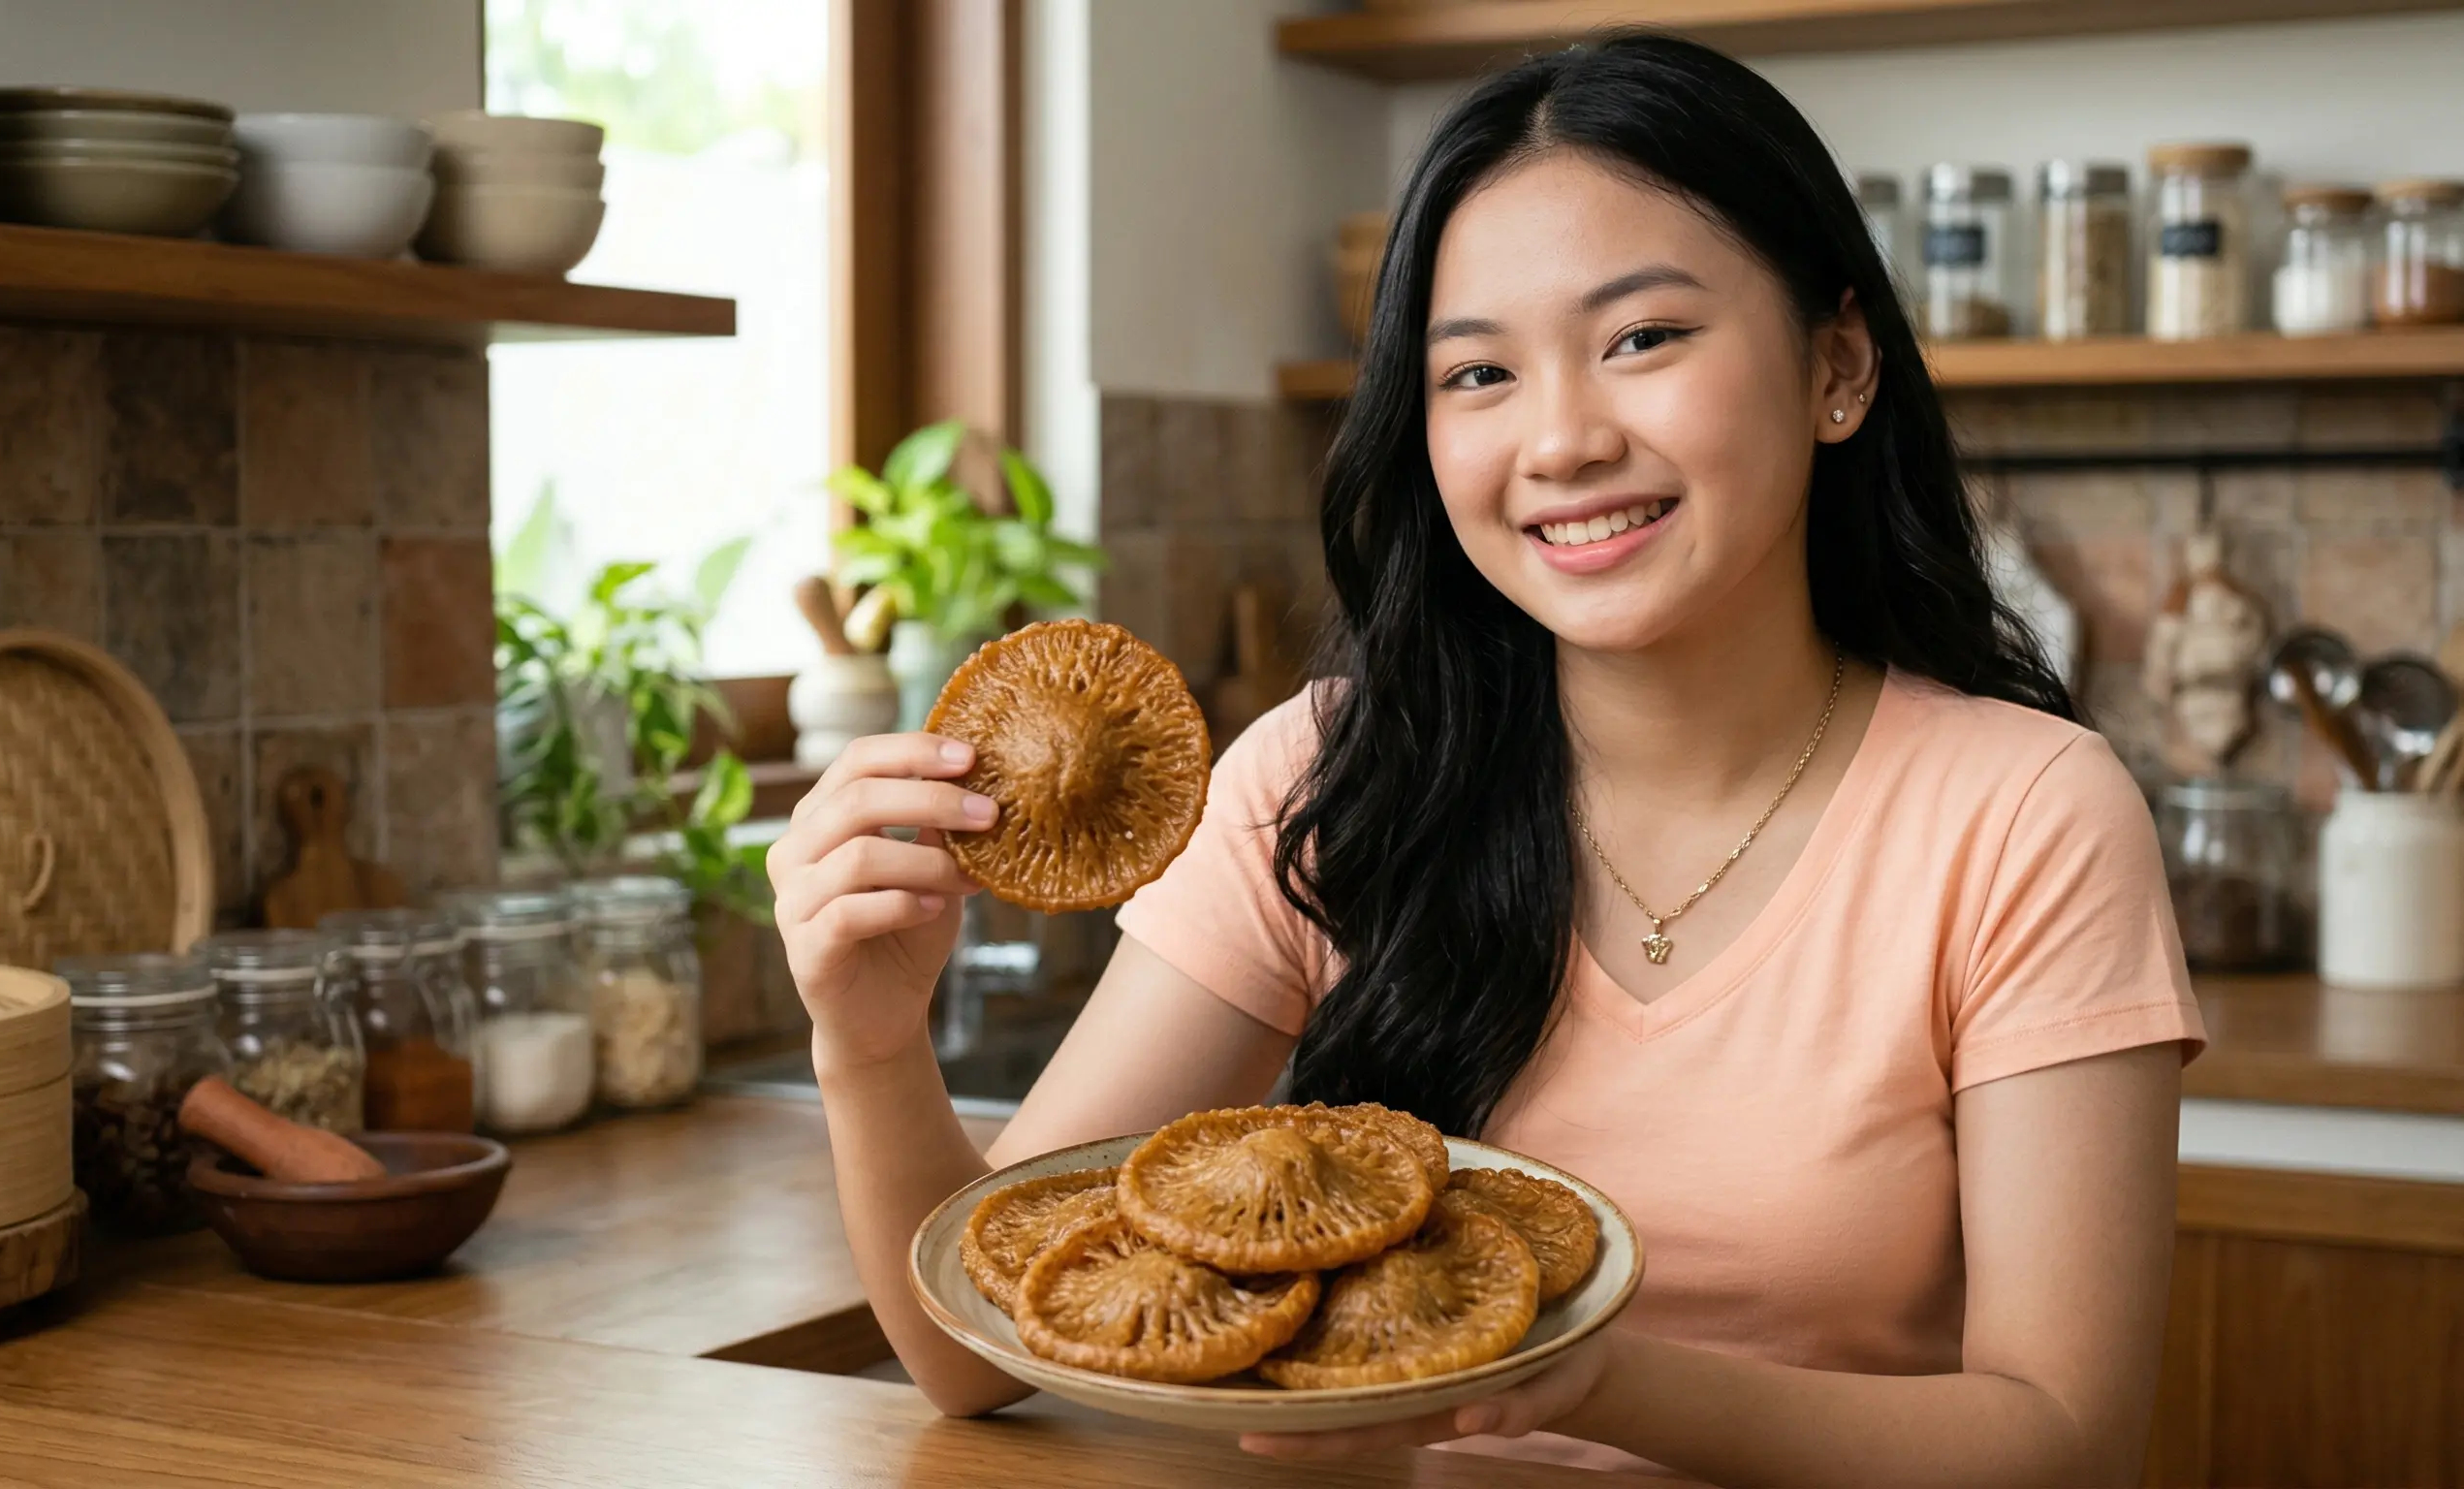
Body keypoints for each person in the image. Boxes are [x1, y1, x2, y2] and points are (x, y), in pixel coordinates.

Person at [768, 32, 2201, 1484]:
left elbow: (2062, 1442)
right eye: (1477, 375)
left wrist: (1583, 1381)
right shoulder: (1323, 782)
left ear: (1835, 366)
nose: (1563, 439)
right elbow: (971, 1351)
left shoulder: (2023, 816)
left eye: (1642, 339)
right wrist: (871, 1045)